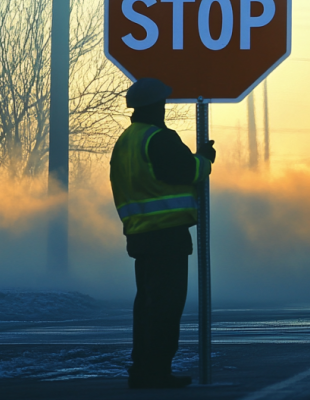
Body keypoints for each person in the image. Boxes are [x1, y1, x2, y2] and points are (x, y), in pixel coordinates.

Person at [110, 78, 215, 389]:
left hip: (140, 236)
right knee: (166, 307)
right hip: (166, 235)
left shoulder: (126, 140)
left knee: (147, 305)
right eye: (163, 103)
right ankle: (155, 372)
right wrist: (205, 159)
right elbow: (187, 171)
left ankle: (143, 368)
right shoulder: (158, 138)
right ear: (156, 107)